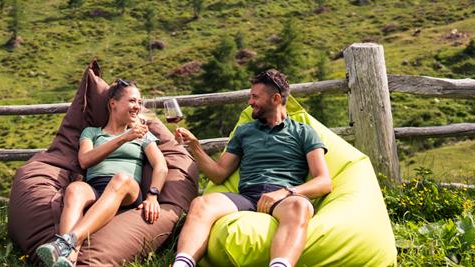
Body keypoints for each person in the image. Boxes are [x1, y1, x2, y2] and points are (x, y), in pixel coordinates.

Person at [172, 69, 332, 267]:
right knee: (201, 204)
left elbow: (324, 181)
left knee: (300, 206)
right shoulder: (244, 131)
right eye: (250, 96)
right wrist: (195, 147)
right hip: (247, 196)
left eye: (255, 97)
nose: (250, 102)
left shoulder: (303, 132)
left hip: (285, 198)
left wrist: (284, 192)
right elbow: (219, 174)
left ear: (275, 98)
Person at [36, 79, 168, 267]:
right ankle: (68, 259)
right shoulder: (91, 132)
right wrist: (124, 138)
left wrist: (153, 195)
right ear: (112, 104)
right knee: (74, 189)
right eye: (132, 101)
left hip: (127, 189)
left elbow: (161, 166)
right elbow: (85, 160)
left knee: (120, 178)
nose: (137, 106)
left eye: (139, 102)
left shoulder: (142, 134)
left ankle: (66, 241)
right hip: (95, 188)